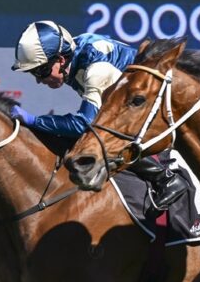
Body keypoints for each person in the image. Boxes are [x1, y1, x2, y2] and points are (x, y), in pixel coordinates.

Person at [10, 20, 186, 210]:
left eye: (41, 71)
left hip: (158, 113)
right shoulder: (73, 54)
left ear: (60, 60)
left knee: (100, 136)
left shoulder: (96, 70)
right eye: (33, 73)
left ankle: (165, 178)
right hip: (138, 107)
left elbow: (85, 124)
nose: (39, 80)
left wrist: (35, 121)